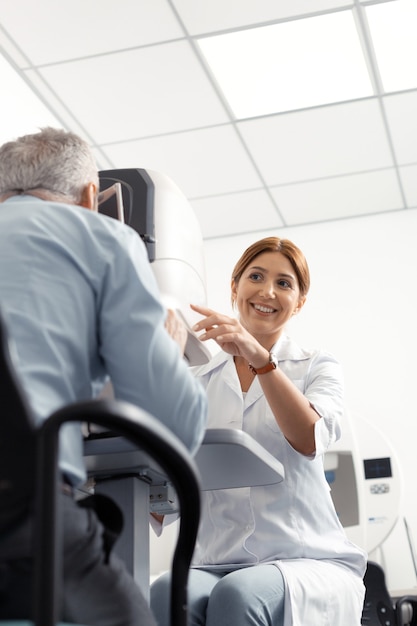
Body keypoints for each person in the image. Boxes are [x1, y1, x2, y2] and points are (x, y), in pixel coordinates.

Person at [0, 127, 207, 625]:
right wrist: (169, 347)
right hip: (23, 525)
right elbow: (175, 427)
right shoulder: (103, 236)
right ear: (93, 196)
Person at [150, 236, 367, 626]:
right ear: (235, 287)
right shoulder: (195, 380)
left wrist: (261, 360)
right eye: (256, 276)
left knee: (239, 595)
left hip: (306, 559)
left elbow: (308, 438)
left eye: (284, 283)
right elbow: (170, 495)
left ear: (299, 302)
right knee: (165, 594)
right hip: (215, 561)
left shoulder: (317, 366)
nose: (267, 291)